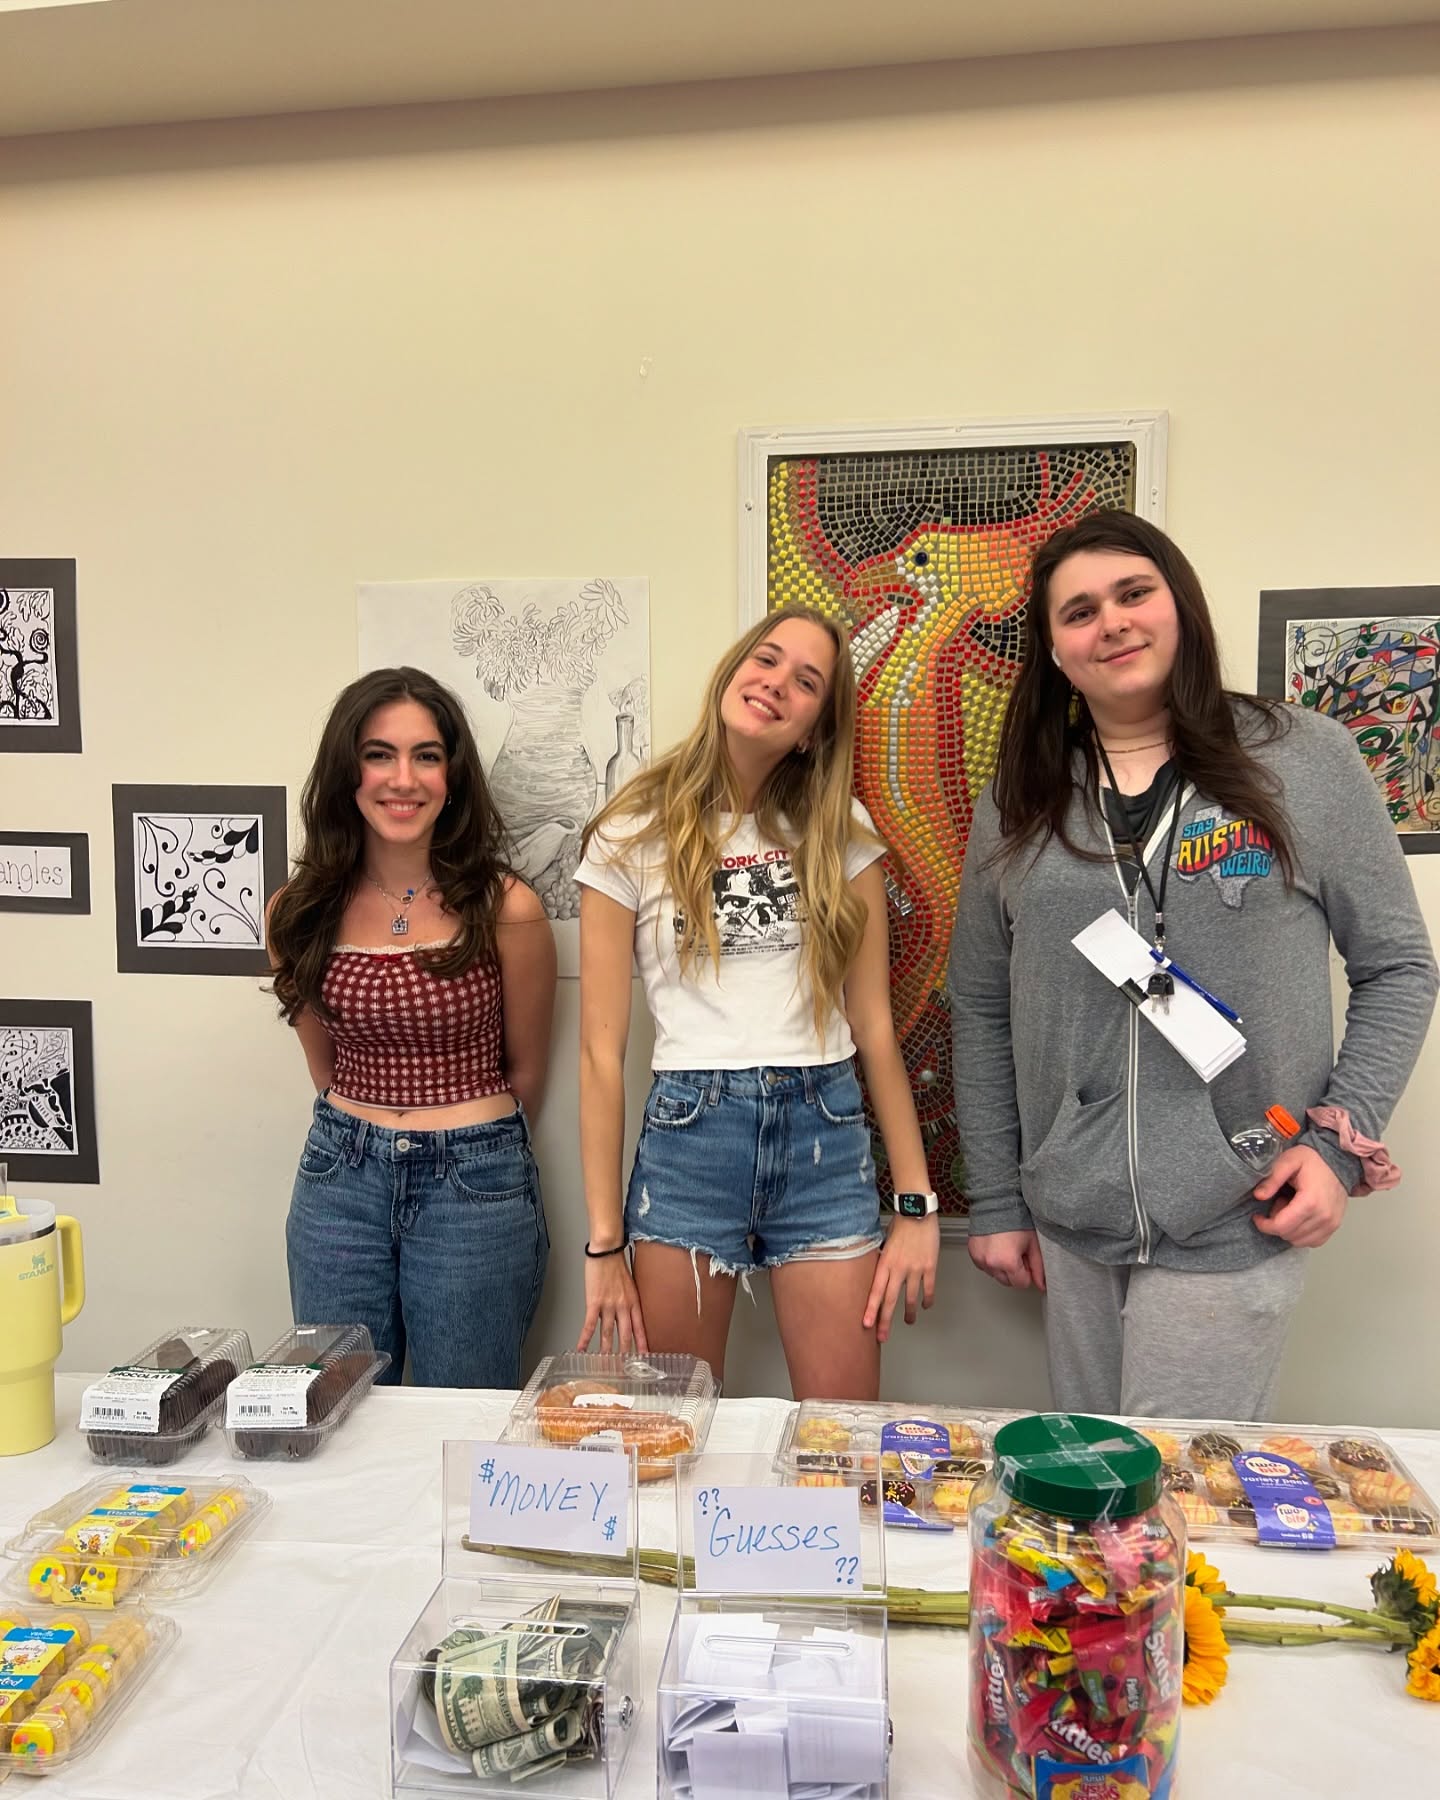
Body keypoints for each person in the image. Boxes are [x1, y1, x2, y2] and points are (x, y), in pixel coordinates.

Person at [948, 511, 1437, 1419]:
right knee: (1097, 1497)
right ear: (1055, 651)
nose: (1114, 623)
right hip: (1073, 1219)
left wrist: (1334, 1149)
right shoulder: (1020, 800)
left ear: (1181, 605)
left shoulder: (1303, 759)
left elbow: (1401, 967)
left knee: (1178, 1508)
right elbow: (978, 1002)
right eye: (1081, 611)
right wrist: (997, 1197)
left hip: (1236, 1210)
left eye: (1135, 593)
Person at [574, 603, 940, 1398]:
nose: (776, 683)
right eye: (767, 660)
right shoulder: (630, 830)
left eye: (806, 682)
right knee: (672, 1437)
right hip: (691, 1138)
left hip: (825, 1134)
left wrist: (916, 1204)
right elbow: (600, 1054)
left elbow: (874, 1026)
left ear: (813, 727)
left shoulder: (840, 828)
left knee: (836, 1442)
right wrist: (604, 1247)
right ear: (731, 672)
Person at [267, 666, 556, 1387]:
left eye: (426, 756)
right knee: (334, 1408)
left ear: (452, 775)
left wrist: (462, 1142)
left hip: (475, 1183)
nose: (404, 779)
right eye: (378, 754)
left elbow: (526, 1073)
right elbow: (325, 1067)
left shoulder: (506, 905)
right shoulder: (296, 911)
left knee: (464, 1410)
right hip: (340, 1177)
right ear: (347, 772)